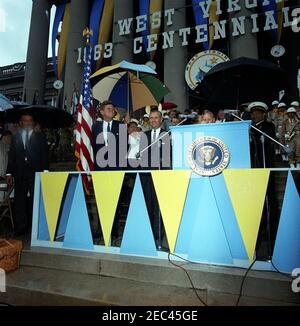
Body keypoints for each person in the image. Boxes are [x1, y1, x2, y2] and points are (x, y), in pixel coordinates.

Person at [6, 112, 49, 235]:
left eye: (30, 120)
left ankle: (36, 227)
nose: (28, 122)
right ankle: (21, 227)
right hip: (20, 172)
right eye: (25, 120)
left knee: (36, 199)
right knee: (19, 200)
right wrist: (9, 173)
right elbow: (12, 156)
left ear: (33, 122)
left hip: (35, 171)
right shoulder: (16, 137)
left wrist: (45, 172)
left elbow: (44, 155)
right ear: (21, 122)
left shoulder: (40, 136)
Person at [139, 109, 172, 248]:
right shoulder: (144, 135)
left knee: (160, 207)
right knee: (148, 205)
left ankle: (160, 236)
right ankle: (149, 236)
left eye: (156, 118)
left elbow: (169, 156)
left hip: (162, 176)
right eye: (151, 118)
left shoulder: (168, 135)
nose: (153, 120)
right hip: (147, 176)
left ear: (161, 120)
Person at [92, 101, 126, 171]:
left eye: (113, 109)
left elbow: (124, 146)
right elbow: (93, 145)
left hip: (116, 165)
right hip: (99, 165)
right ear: (102, 112)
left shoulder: (121, 125)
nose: (112, 111)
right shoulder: (95, 127)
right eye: (109, 109)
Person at [249, 102, 276, 168]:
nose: (254, 116)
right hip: (252, 157)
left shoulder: (269, 125)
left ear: (264, 114)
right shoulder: (249, 127)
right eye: (252, 114)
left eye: (257, 113)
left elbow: (268, 139)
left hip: (264, 156)